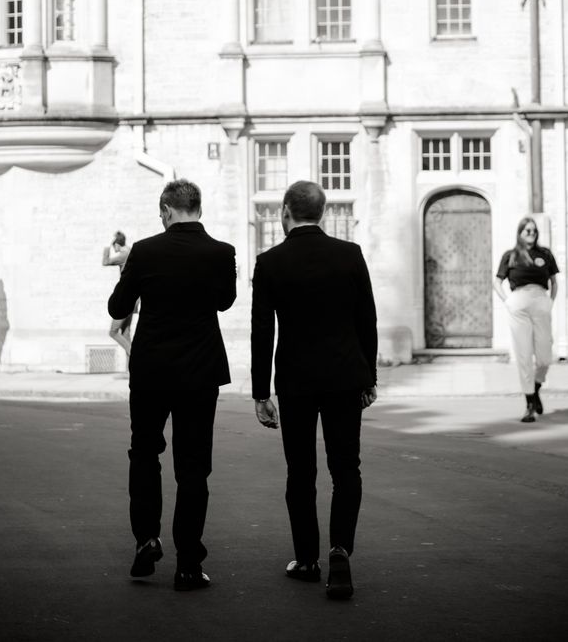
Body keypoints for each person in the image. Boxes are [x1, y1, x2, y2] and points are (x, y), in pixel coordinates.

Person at [250, 180, 378, 601]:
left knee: (300, 471)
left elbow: (262, 332)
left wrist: (260, 391)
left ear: (286, 211)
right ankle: (340, 550)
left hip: (296, 380)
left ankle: (306, 559)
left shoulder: (270, 262)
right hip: (344, 377)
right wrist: (369, 377)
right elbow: (366, 322)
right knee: (346, 469)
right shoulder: (350, 255)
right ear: (322, 212)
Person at [108, 179, 236, 592]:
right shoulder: (221, 252)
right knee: (193, 467)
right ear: (197, 207)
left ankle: (147, 538)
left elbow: (117, 307)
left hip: (151, 370)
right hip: (200, 371)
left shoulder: (145, 251)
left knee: (144, 452)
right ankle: (187, 564)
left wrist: (132, 274)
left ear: (166, 209)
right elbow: (225, 301)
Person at [493, 217, 559, 423]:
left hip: (540, 300)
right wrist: (508, 301)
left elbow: (554, 281)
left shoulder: (545, 254)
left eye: (534, 230)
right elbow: (497, 282)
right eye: (527, 230)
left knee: (545, 355)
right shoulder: (511, 256)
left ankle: (537, 386)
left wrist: (550, 302)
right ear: (520, 233)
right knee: (523, 355)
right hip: (518, 302)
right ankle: (529, 403)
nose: (531, 233)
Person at [102, 230, 135, 357]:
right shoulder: (130, 250)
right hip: (132, 297)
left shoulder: (124, 254)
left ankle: (136, 356)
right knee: (126, 333)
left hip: (126, 297)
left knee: (113, 331)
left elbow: (105, 262)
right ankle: (131, 370)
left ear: (116, 244)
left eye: (112, 245)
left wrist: (106, 245)